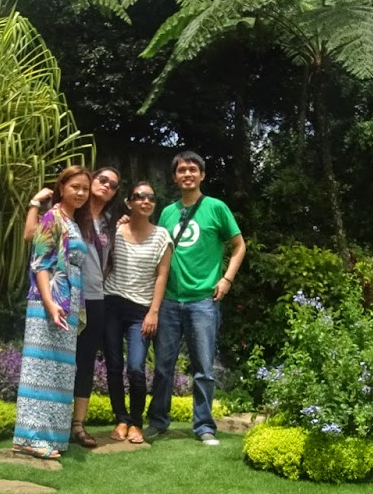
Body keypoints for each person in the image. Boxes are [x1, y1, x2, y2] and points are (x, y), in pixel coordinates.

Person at [147, 151, 246, 445]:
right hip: (169, 301)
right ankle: (158, 422)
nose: (187, 174)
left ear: (202, 175)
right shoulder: (166, 212)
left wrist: (226, 279)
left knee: (203, 368)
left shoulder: (216, 208)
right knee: (163, 366)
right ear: (175, 177)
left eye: (192, 169)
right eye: (181, 170)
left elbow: (239, 246)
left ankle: (204, 426)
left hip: (203, 300)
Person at [26, 166, 121, 446]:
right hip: (63, 298)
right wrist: (34, 202)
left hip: (92, 298)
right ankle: (41, 434)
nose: (106, 185)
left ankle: (76, 426)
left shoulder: (109, 221)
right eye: (101, 179)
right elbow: (34, 237)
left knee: (81, 363)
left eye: (113, 184)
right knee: (52, 364)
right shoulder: (64, 215)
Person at [12, 166, 93, 460]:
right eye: (76, 187)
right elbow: (42, 264)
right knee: (40, 371)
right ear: (62, 188)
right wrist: (49, 302)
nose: (81, 193)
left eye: (85, 188)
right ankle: (30, 439)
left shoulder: (73, 221)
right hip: (50, 303)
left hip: (67, 303)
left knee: (59, 371)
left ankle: (53, 437)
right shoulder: (53, 217)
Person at [101, 180, 173, 445]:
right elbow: (106, 265)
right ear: (129, 202)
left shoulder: (162, 236)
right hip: (112, 304)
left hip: (141, 311)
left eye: (151, 198)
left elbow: (162, 275)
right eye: (139, 196)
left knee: (136, 368)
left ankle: (136, 422)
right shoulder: (116, 231)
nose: (146, 201)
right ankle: (120, 419)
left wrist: (153, 311)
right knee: (114, 365)